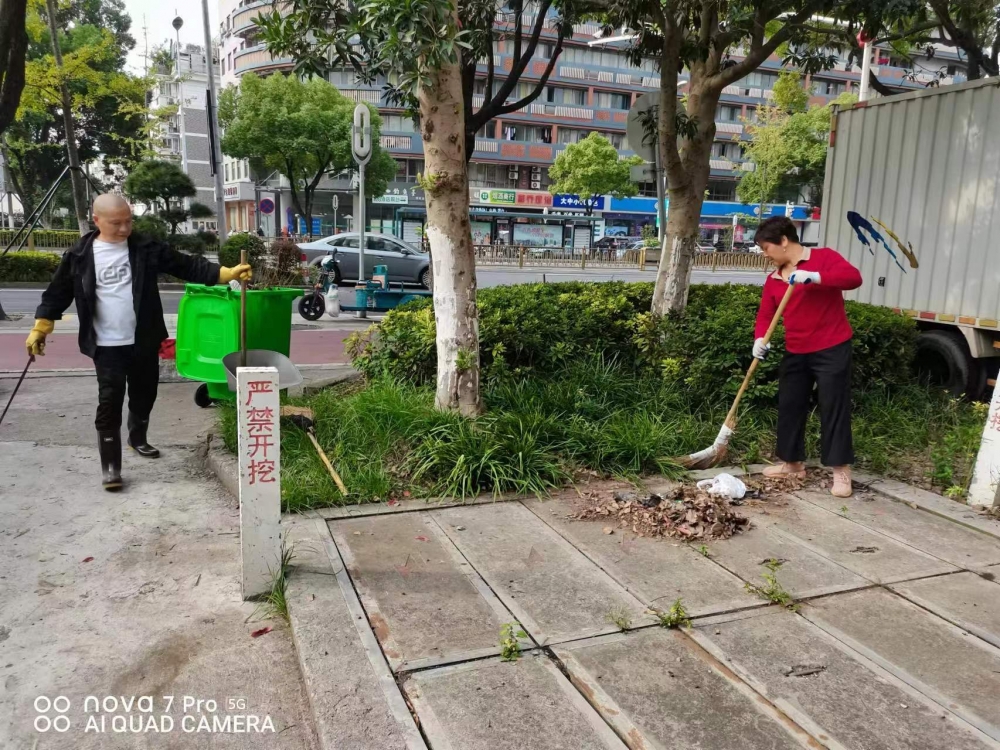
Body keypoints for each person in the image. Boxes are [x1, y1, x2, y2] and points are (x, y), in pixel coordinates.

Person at [25, 195, 252, 491]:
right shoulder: (79, 255)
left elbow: (184, 265)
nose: (123, 229)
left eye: (128, 221)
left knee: (144, 393)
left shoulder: (144, 248)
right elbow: (57, 293)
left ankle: (137, 437)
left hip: (142, 339)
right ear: (97, 221)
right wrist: (42, 326)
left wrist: (225, 273)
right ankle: (110, 468)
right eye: (116, 223)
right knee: (110, 400)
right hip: (105, 345)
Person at [751, 216, 862, 498]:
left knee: (833, 406)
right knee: (790, 405)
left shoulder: (824, 258)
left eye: (766, 248)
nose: (765, 255)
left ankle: (841, 471)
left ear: (784, 241)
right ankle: (792, 463)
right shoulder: (774, 279)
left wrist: (816, 277)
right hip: (796, 349)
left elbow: (853, 278)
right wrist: (760, 339)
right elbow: (766, 314)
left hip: (832, 346)